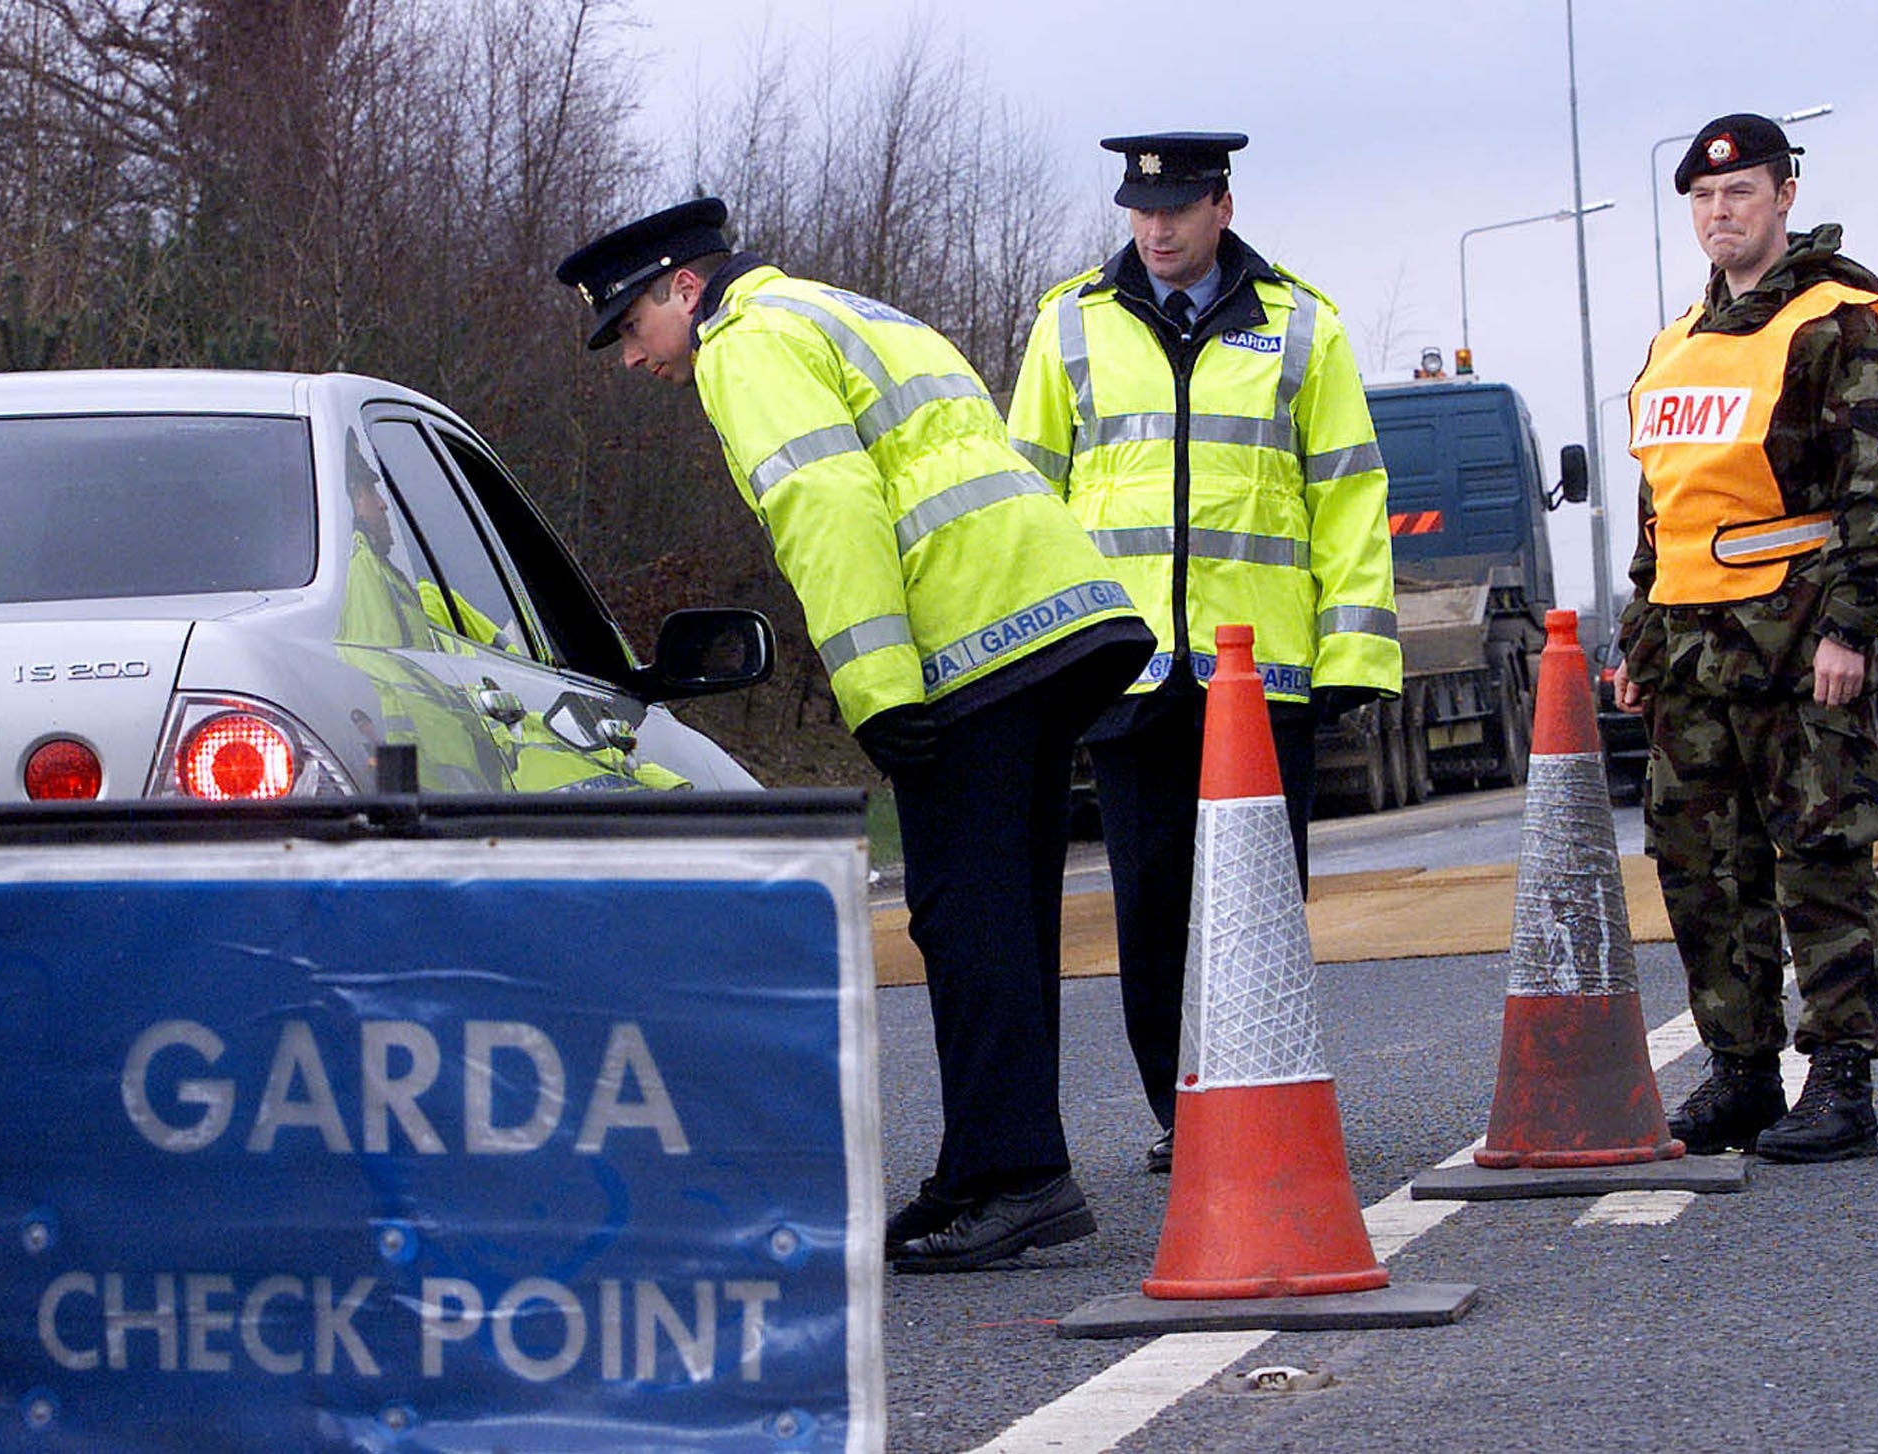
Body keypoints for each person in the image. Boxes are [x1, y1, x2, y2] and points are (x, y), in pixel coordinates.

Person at [556, 198, 1155, 1271]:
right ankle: (992, 1167)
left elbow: (826, 503)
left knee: (965, 918)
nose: (633, 359)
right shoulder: (840, 309)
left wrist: (877, 692)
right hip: (1050, 617)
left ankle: (1016, 1177)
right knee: (1000, 913)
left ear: (684, 287)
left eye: (632, 328)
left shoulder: (745, 342)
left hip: (974, 640)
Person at [1006, 133, 1399, 1172]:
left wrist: (1352, 651)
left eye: (1177, 206)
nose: (1157, 228)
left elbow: (1348, 491)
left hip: (1263, 675)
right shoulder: (1069, 323)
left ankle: (1261, 1080)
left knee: (1263, 904)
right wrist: (1037, 655)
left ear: (1223, 205)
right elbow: (1027, 497)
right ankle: (1185, 1111)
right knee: (1149, 903)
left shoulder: (1302, 324)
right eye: (1141, 209)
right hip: (1127, 675)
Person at [1612, 113, 1878, 1163]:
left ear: (1784, 195)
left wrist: (1851, 623)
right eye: (1703, 199)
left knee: (1820, 856)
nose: (1719, 213)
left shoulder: (1838, 320)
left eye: (1738, 192)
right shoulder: (1674, 343)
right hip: (1690, 653)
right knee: (1705, 866)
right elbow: (1663, 514)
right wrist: (1636, 640)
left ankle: (1840, 1080)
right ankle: (1740, 1071)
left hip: (1796, 641)